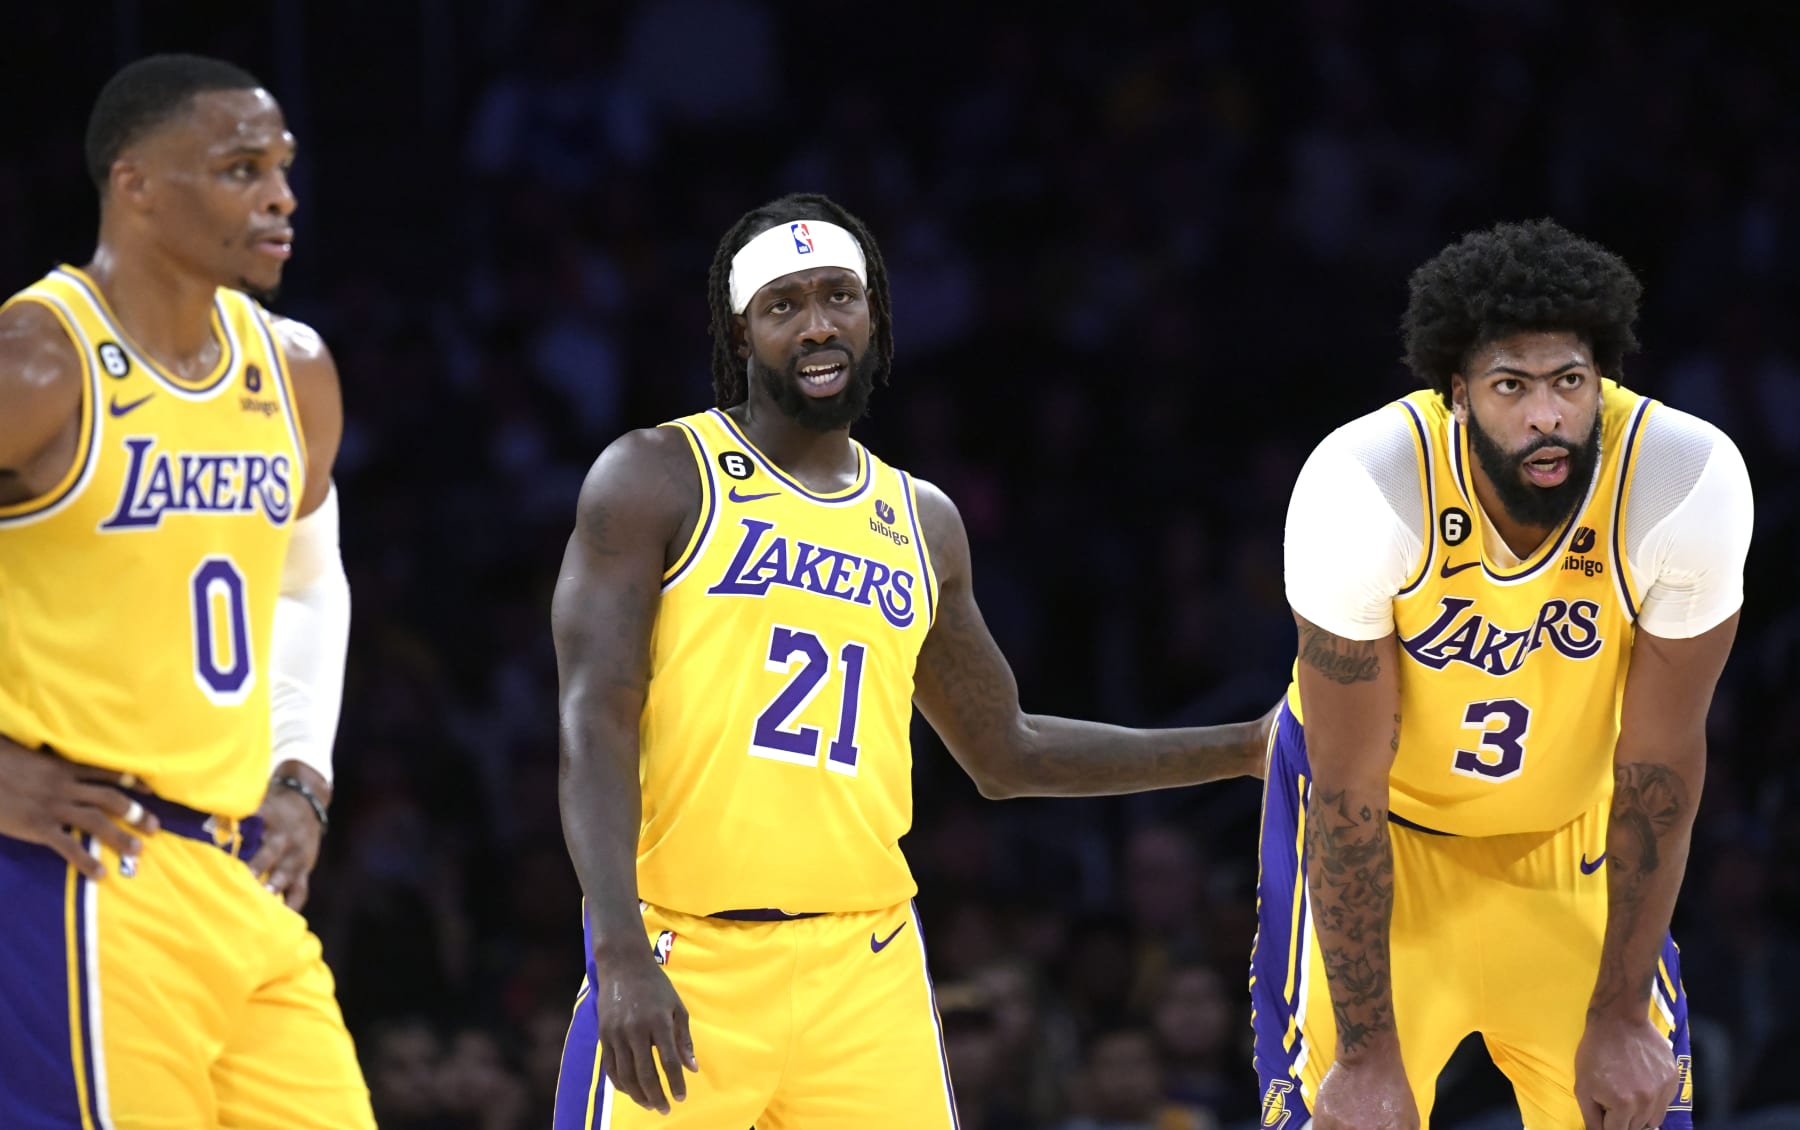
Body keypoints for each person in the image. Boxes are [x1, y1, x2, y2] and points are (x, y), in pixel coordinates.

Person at [550, 192, 1274, 1128]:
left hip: (867, 963)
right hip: (687, 950)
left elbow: (1008, 751)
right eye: (784, 305)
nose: (818, 326)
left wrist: (1249, 745)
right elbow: (592, 718)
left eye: (839, 297)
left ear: (876, 317)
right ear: (740, 335)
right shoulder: (655, 475)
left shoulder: (922, 521)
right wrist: (616, 950)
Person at [1254, 219, 1754, 1130]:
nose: (1546, 416)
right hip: (1385, 845)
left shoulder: (1683, 478)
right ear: (1458, 395)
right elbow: (1345, 790)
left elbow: (1661, 768)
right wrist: (1366, 1054)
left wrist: (1617, 1014)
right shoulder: (1365, 486)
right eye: (1510, 386)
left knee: (1631, 1092)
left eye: (1569, 382)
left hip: (1573, 840)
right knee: (1348, 1113)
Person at [0, 54, 370, 1125]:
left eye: (284, 167)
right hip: (81, 876)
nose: (281, 196)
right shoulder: (37, 361)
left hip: (239, 872)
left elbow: (306, 581)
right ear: (138, 185)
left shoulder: (293, 366)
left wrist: (303, 769)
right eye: (241, 168)